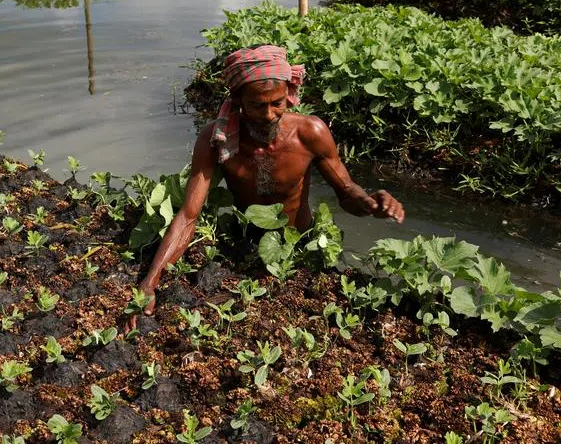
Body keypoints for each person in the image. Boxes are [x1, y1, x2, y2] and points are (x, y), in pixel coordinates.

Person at [130, 44, 405, 325]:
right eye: (258, 105)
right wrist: (149, 282)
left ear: (288, 95)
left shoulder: (310, 133)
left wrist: (370, 204)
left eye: (277, 103)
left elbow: (346, 192)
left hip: (298, 246)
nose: (269, 114)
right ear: (238, 101)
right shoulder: (215, 139)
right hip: (245, 242)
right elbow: (189, 215)